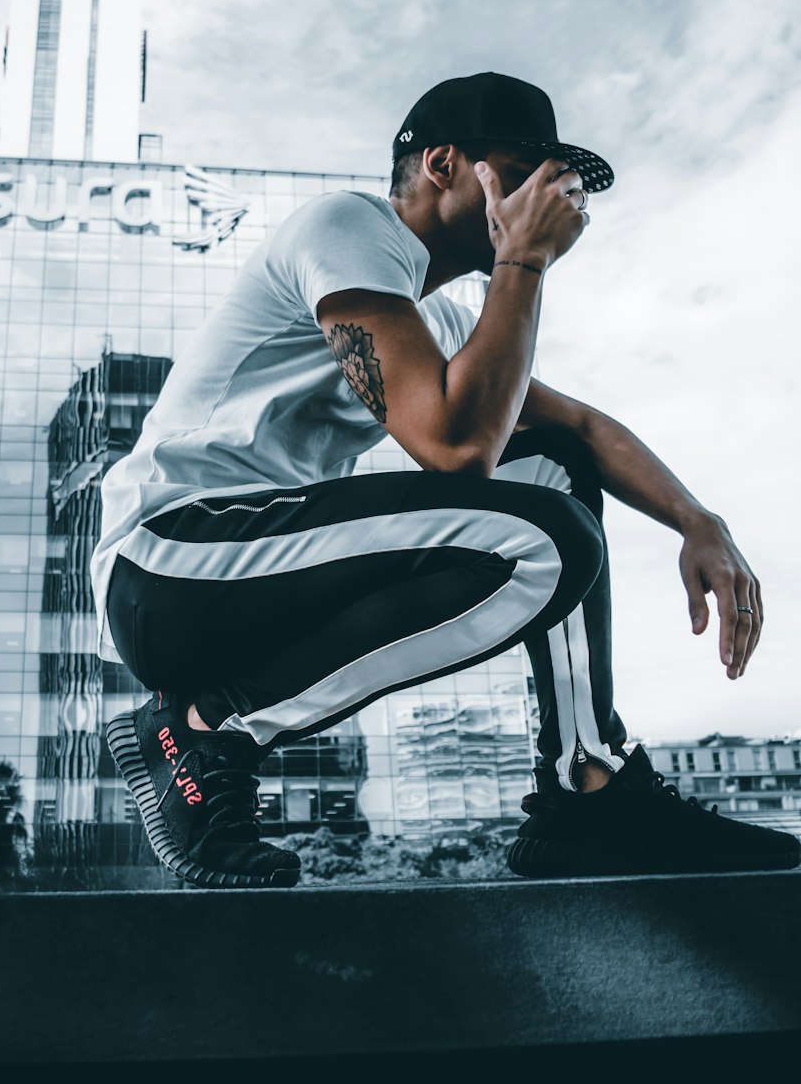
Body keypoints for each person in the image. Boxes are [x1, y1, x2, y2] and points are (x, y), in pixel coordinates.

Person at [91, 72, 799, 889]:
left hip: (261, 584)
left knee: (554, 476)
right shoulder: (349, 226)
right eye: (528, 167)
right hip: (172, 558)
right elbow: (452, 447)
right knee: (545, 541)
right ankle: (208, 731)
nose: (551, 190)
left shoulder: (447, 323)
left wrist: (698, 520)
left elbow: (581, 431)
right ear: (442, 164)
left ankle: (589, 785)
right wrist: (524, 260)